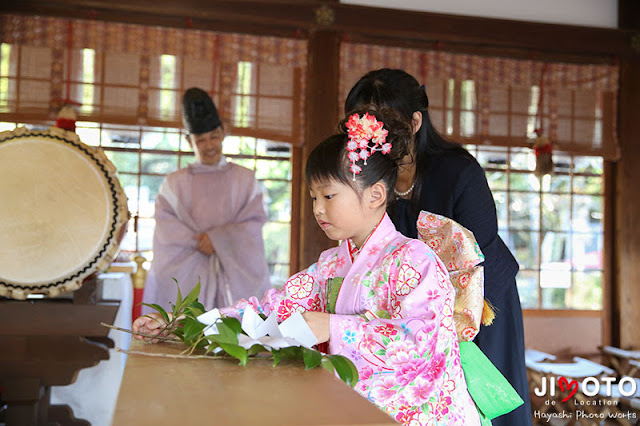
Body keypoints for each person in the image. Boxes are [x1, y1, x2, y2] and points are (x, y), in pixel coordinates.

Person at [135, 107, 482, 425]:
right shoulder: (331, 265)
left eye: (329, 196)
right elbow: (270, 311)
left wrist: (337, 328)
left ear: (375, 195)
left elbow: (421, 344)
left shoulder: (415, 260)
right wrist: (185, 323)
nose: (317, 209)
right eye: (314, 197)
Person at [344, 68, 532, 426]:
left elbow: (474, 260)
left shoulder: (459, 172)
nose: (373, 133)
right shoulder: (368, 176)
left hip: (478, 304)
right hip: (410, 311)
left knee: (478, 402)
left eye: (383, 122)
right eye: (364, 122)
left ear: (415, 121)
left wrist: (438, 326)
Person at [141, 87, 271, 313]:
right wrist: (202, 241)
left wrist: (218, 239)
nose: (209, 145)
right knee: (184, 328)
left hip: (234, 275)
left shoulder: (245, 179)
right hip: (187, 273)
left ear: (223, 133)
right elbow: (166, 227)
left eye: (214, 137)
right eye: (200, 140)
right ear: (188, 140)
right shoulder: (173, 183)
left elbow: (253, 223)